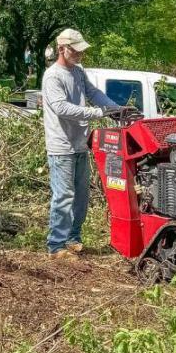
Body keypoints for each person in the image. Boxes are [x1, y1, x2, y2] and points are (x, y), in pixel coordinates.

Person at [42, 28, 131, 259]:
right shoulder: (53, 76)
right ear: (63, 49)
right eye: (76, 50)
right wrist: (97, 112)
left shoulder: (78, 72)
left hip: (80, 143)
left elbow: (94, 93)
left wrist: (115, 110)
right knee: (63, 196)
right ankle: (56, 245)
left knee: (81, 195)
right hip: (61, 146)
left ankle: (73, 238)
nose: (81, 54)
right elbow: (61, 108)